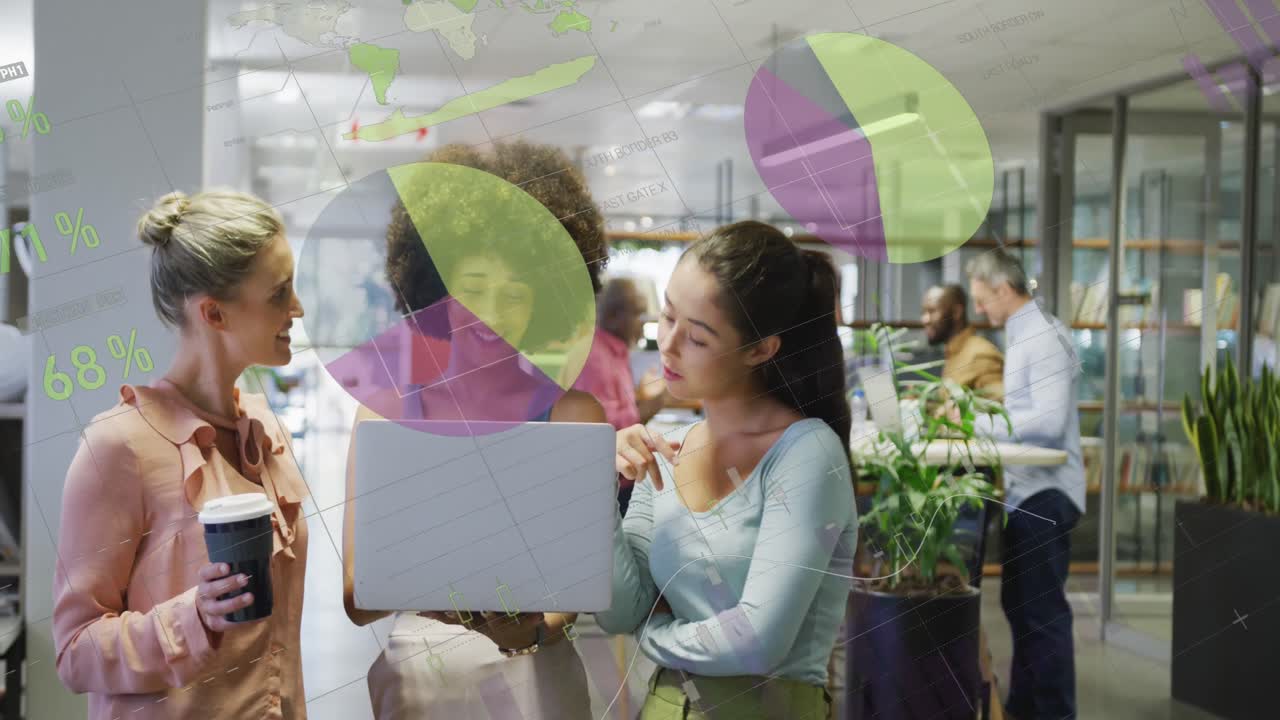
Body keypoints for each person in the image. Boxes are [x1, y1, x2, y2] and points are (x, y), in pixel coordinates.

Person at [342, 141, 609, 720]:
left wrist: (529, 628)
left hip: (537, 678)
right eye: (473, 287)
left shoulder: (574, 416)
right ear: (435, 290)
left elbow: (575, 589)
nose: (491, 311)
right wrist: (493, 586)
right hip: (423, 684)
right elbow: (359, 594)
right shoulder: (385, 413)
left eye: (515, 292)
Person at [52, 190, 309, 719]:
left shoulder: (266, 431)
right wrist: (193, 616)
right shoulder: (120, 447)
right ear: (214, 313)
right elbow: (74, 651)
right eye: (280, 293)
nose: (297, 308)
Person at [597, 220, 857, 719]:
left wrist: (655, 636)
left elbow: (757, 642)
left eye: (695, 336)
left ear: (761, 349)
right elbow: (621, 612)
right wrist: (599, 486)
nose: (666, 344)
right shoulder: (671, 453)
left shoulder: (806, 454)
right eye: (667, 316)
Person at [964, 249, 1085, 720]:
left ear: (1002, 288)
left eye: (981, 300)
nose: (979, 311)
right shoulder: (1025, 334)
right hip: (1027, 491)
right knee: (1020, 607)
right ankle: (1027, 709)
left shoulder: (1044, 336)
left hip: (1046, 494)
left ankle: (1053, 713)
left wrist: (978, 426)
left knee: (1042, 614)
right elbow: (1025, 416)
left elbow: (1050, 423)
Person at [574, 275, 672, 516]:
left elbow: (622, 414)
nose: (644, 322)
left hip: (623, 481)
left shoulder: (615, 351)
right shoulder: (596, 357)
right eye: (637, 313)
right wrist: (664, 396)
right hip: (609, 487)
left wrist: (642, 395)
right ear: (614, 317)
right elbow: (614, 433)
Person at [921, 284, 1004, 400]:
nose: (925, 320)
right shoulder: (953, 351)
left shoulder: (981, 355)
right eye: (923, 312)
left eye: (932, 311)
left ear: (956, 312)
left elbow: (1002, 410)